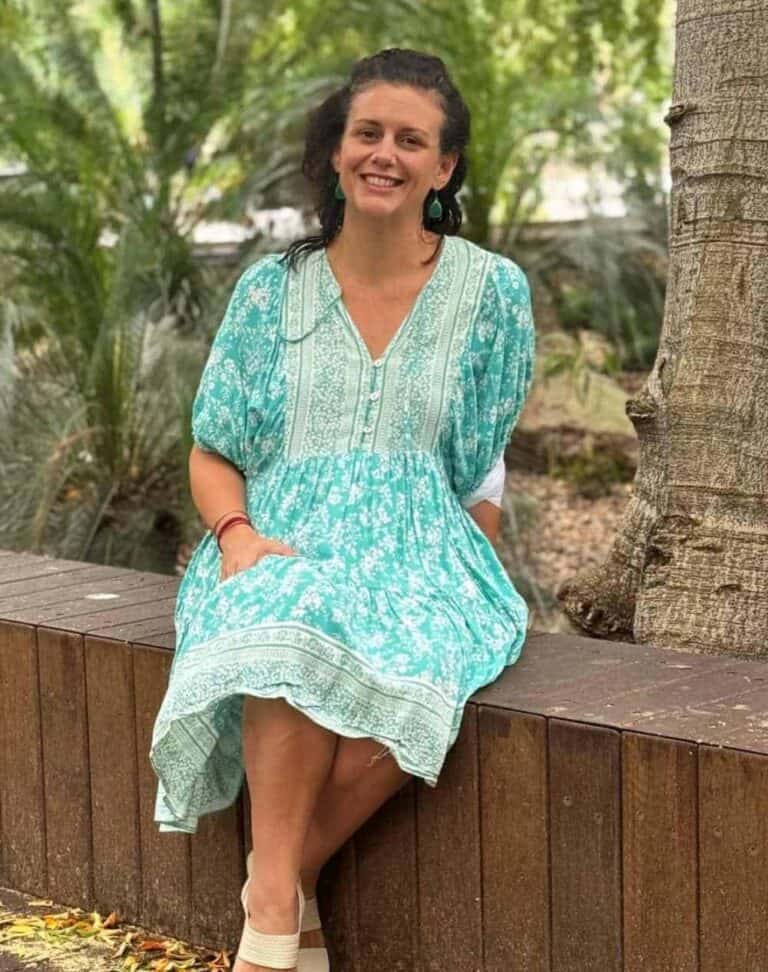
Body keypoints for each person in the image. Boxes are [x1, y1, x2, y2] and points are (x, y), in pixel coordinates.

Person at [149, 47, 536, 972]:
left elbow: (480, 463)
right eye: (368, 133)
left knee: (428, 669)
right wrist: (237, 538)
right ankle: (282, 912)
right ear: (336, 150)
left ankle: (272, 891)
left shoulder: (492, 294)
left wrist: (465, 576)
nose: (385, 154)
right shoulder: (269, 292)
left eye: (413, 141)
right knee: (287, 612)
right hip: (275, 534)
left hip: (424, 544)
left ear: (444, 169)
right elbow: (213, 450)